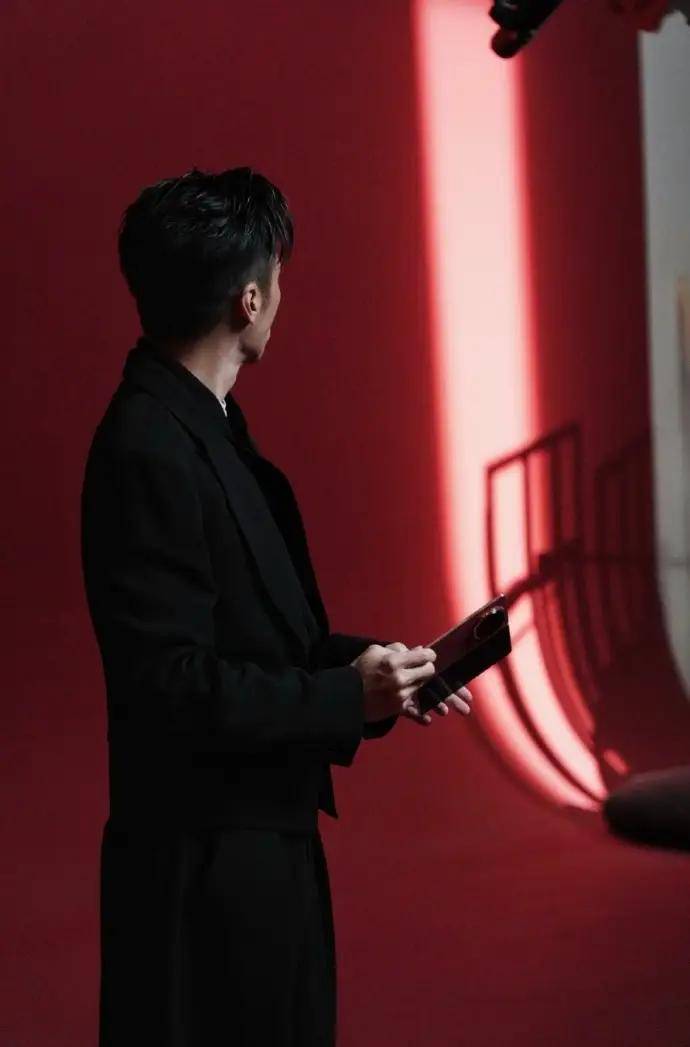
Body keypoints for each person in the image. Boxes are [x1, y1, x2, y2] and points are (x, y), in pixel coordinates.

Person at [80, 166, 473, 1047]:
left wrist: (383, 670)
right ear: (249, 299)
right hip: (201, 874)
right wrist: (345, 695)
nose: (282, 299)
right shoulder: (148, 445)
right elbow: (171, 685)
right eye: (279, 279)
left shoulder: (204, 421)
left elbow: (255, 635)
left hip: (257, 848)